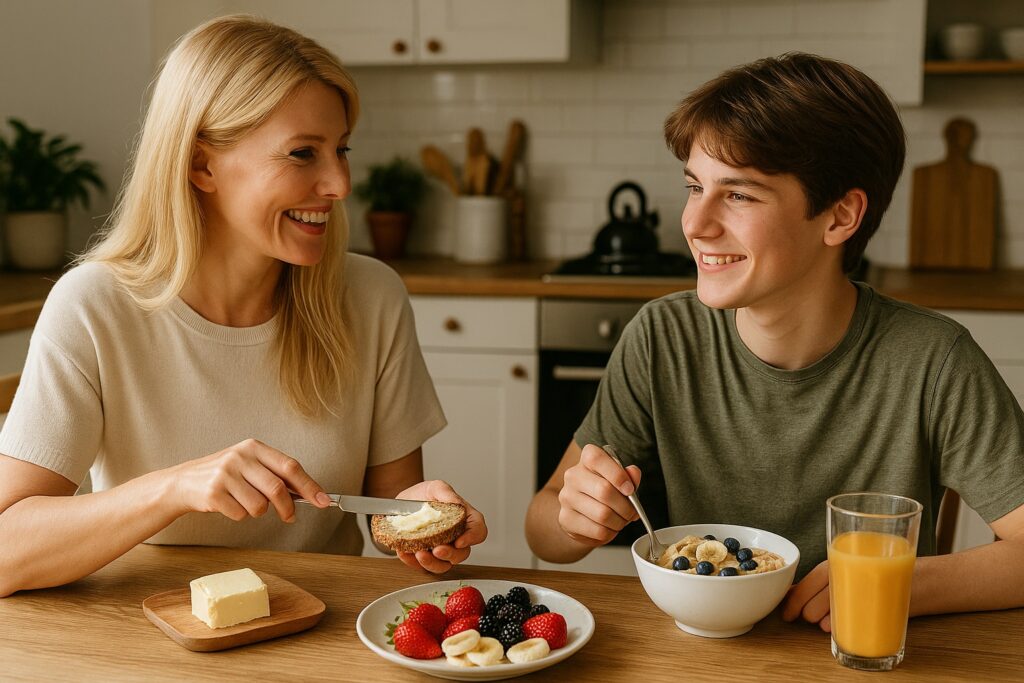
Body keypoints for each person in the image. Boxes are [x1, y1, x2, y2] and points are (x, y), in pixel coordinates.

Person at [525, 53, 1024, 629]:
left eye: (738, 195)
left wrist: (896, 581)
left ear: (840, 216)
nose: (695, 223)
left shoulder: (933, 360)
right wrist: (574, 517)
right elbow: (541, 527)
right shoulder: (663, 337)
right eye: (695, 187)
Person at [0, 15, 486, 597]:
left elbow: (390, 511)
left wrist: (423, 525)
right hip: (151, 632)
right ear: (201, 164)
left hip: (323, 627)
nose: (339, 183)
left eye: (341, 149)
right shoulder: (92, 307)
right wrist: (174, 488)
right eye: (303, 153)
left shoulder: (372, 297)